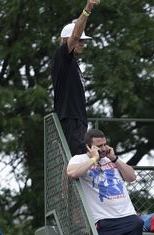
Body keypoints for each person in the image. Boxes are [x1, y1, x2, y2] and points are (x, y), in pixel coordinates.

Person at [51, 4, 94, 153]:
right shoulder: (62, 58)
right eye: (79, 40)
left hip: (78, 120)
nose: (82, 43)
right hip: (70, 119)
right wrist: (87, 10)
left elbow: (76, 35)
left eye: (83, 41)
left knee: (79, 160)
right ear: (65, 40)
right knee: (75, 160)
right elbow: (75, 35)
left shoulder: (73, 64)